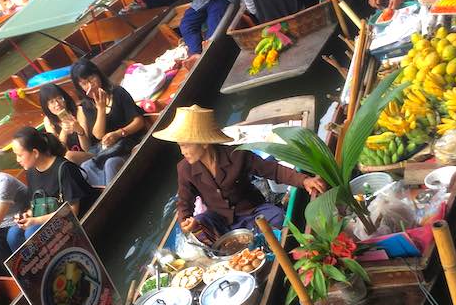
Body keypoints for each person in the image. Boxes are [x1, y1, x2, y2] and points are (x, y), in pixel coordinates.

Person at [153, 105, 326, 236]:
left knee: (278, 217)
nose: (183, 152)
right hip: (220, 220)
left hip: (253, 212)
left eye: (185, 145)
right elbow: (184, 202)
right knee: (200, 223)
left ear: (204, 143)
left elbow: (273, 170)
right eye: (180, 146)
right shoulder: (184, 168)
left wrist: (304, 180)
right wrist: (185, 221)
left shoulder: (237, 155)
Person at [8, 127, 100, 250]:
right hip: (50, 217)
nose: (17, 160)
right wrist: (28, 215)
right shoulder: (31, 172)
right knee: (13, 235)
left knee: (32, 232)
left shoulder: (64, 169)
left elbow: (72, 211)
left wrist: (36, 221)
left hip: (79, 218)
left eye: (20, 155)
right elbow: (36, 204)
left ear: (35, 153)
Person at [71, 60, 147, 186]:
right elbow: (99, 135)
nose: (90, 85)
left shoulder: (118, 93)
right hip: (106, 150)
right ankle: (103, 196)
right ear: (81, 87)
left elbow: (139, 121)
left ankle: (111, 194)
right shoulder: (86, 106)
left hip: (127, 143)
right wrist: (100, 108)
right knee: (86, 166)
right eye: (84, 83)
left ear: (98, 75)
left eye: (91, 79)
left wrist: (119, 133)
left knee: (111, 163)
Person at [40, 83, 95, 165]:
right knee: (66, 156)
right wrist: (64, 131)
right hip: (68, 162)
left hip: (90, 155)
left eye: (59, 98)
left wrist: (79, 130)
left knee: (69, 156)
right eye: (51, 102)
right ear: (46, 106)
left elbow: (87, 147)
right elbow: (58, 152)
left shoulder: (79, 111)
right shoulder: (48, 121)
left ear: (64, 98)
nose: (57, 104)